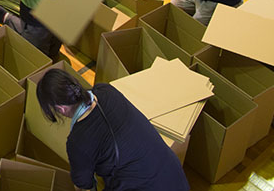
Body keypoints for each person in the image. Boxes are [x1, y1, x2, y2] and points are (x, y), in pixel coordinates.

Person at [35, 68, 190, 191]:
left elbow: (83, 185)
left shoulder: (78, 141)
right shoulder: (105, 90)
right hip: (174, 175)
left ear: (60, 109)